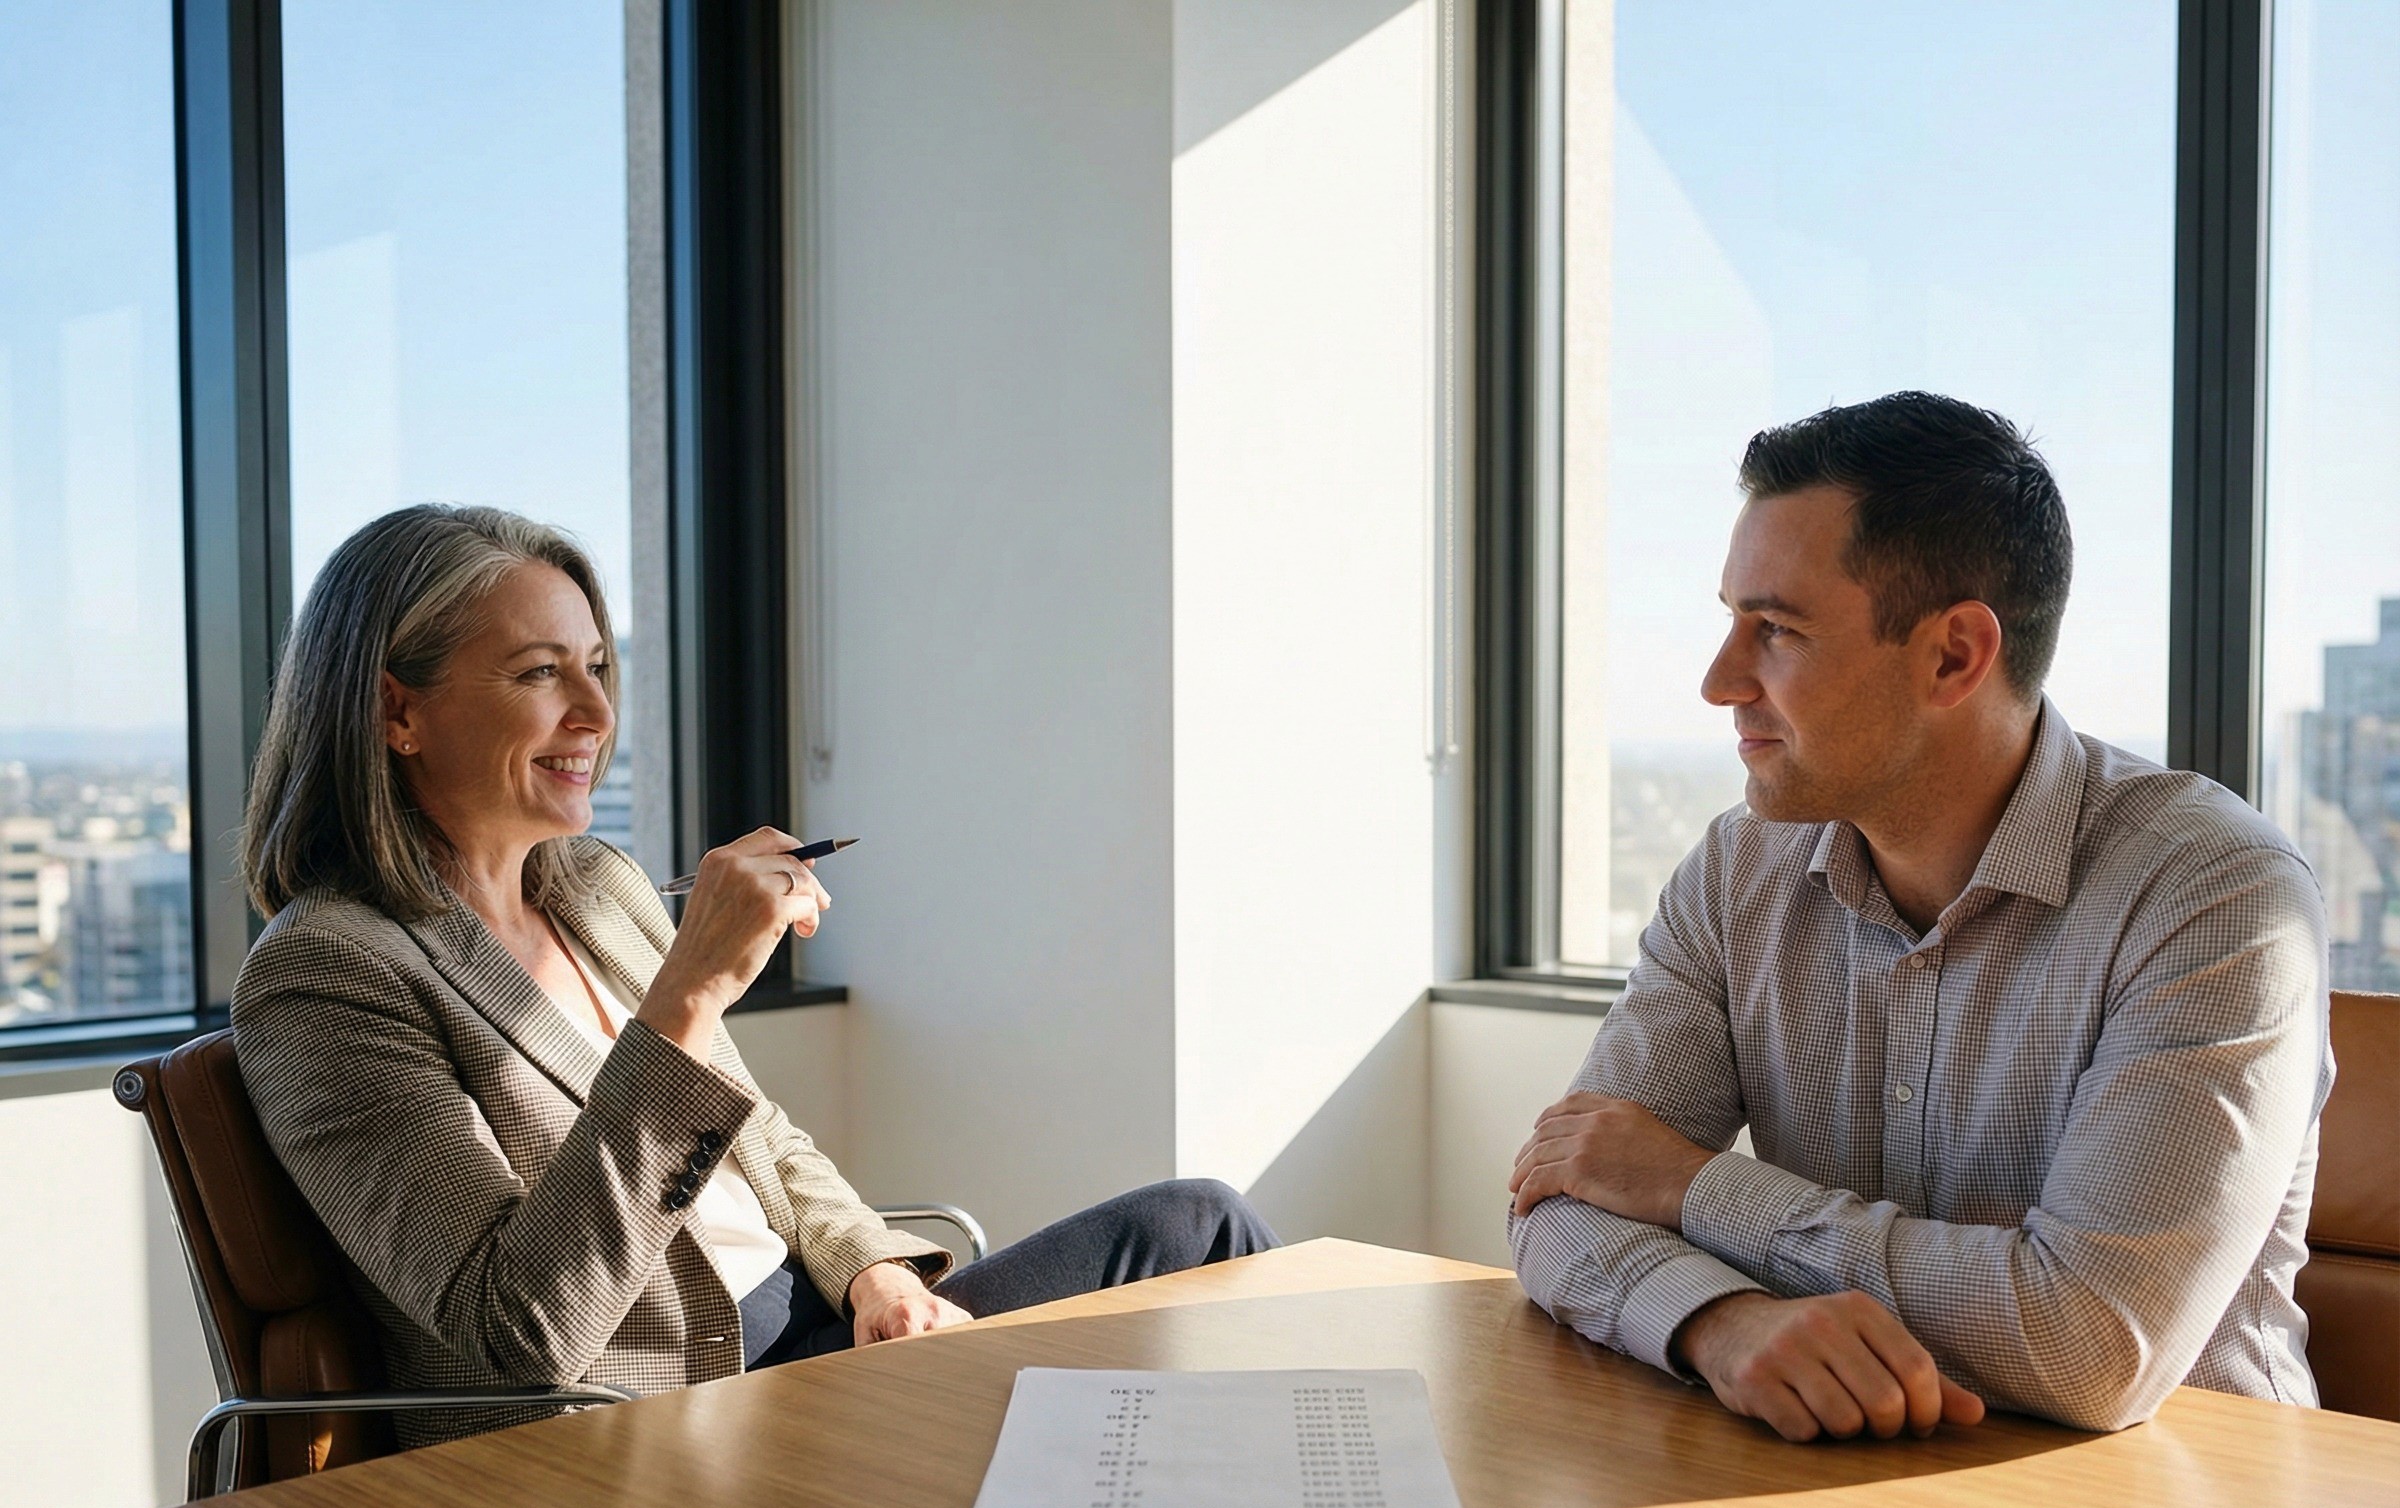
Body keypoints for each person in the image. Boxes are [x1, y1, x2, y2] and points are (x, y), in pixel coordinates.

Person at [233, 503, 1276, 1447]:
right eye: (541, 673)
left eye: (599, 666)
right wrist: (687, 996)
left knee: (1199, 1223)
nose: (596, 714)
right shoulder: (328, 976)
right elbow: (524, 1330)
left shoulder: (592, 887)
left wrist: (872, 1267)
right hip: (683, 1419)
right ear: (395, 712)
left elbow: (760, 1140)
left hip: (823, 1337)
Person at [1507, 391, 2329, 1442]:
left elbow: (2092, 1343)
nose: (1719, 681)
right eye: (1731, 621)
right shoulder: (1737, 870)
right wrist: (1719, 1320)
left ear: (1953, 656)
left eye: (1777, 630)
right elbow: (1562, 1197)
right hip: (1840, 1497)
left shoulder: (2218, 898)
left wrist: (1698, 1188)